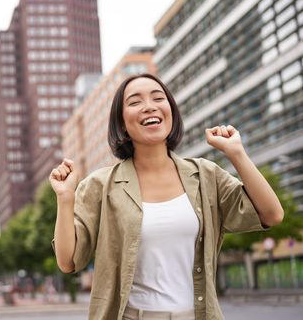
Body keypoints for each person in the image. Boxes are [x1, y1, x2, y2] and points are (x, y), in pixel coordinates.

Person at [49, 73, 284, 320]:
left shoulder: (205, 175)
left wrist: (237, 154)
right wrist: (66, 199)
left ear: (170, 111)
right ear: (122, 123)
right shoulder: (100, 185)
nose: (149, 106)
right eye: (135, 101)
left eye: (158, 98)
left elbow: (271, 214)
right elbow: (68, 261)